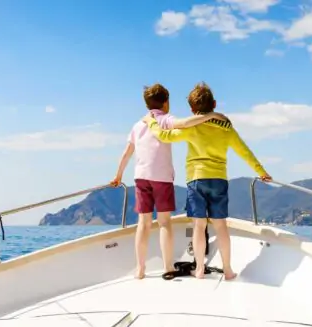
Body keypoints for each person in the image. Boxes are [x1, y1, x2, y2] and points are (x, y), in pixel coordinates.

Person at [142, 82, 272, 280]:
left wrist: (151, 122)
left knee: (199, 226)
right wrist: (261, 171)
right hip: (219, 180)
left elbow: (164, 136)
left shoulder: (193, 128)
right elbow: (245, 152)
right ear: (215, 104)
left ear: (193, 110)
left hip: (196, 180)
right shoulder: (226, 129)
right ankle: (228, 269)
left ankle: (200, 269)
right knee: (221, 226)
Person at [110, 83, 225, 279]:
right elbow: (186, 123)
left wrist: (118, 175)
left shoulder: (138, 125)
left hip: (141, 177)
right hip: (161, 178)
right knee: (164, 223)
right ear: (166, 103)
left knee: (143, 223)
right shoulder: (165, 119)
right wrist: (211, 116)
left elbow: (127, 153)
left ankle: (140, 269)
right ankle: (167, 267)